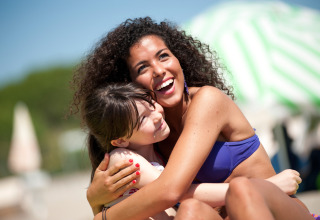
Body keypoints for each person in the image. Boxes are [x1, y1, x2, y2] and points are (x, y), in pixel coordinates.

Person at [71, 17, 313, 219]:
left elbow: (169, 191)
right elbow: (143, 200)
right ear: (130, 86)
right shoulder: (149, 137)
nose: (158, 70)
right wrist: (95, 201)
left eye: (163, 56)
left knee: (241, 190)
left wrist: (101, 219)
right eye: (143, 68)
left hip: (276, 210)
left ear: (179, 59)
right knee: (189, 211)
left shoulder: (208, 101)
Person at [81, 82, 301, 220]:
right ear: (119, 140)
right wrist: (269, 186)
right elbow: (174, 191)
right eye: (143, 119)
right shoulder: (125, 159)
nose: (157, 114)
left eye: (151, 105)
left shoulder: (154, 152)